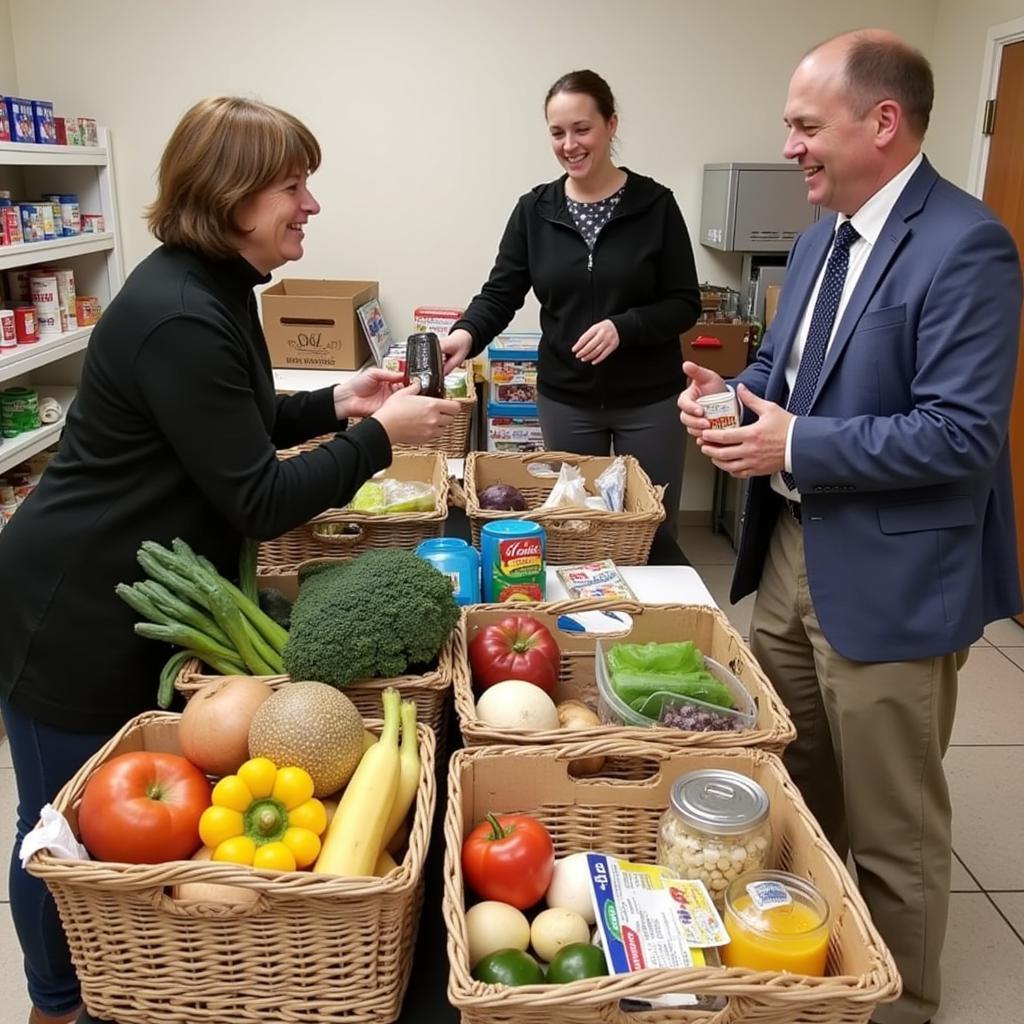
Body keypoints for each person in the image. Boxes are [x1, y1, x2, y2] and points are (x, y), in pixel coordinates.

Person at [0, 96, 459, 1024]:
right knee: (58, 831)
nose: (311, 205)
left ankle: (134, 986)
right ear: (232, 195)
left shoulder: (213, 288)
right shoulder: (180, 312)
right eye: (294, 185)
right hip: (71, 606)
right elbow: (257, 496)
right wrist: (381, 440)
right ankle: (56, 1005)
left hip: (143, 587)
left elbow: (234, 429)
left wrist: (340, 403)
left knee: (131, 813)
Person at [679, 31, 1021, 1024]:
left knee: (894, 826)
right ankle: (818, 965)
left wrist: (796, 444)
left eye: (803, 125)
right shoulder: (826, 229)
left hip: (894, 579)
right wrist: (734, 399)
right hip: (792, 558)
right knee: (800, 786)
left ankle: (902, 1003)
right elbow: (785, 374)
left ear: (881, 122)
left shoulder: (966, 245)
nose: (789, 146)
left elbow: (958, 435)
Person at [441, 69, 701, 537]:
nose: (569, 144)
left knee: (649, 530)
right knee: (575, 527)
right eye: (557, 132)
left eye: (582, 129)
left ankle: (655, 611)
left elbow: (685, 303)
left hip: (651, 402)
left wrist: (626, 326)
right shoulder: (534, 210)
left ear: (611, 125)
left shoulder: (656, 205)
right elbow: (501, 292)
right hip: (567, 401)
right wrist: (465, 334)